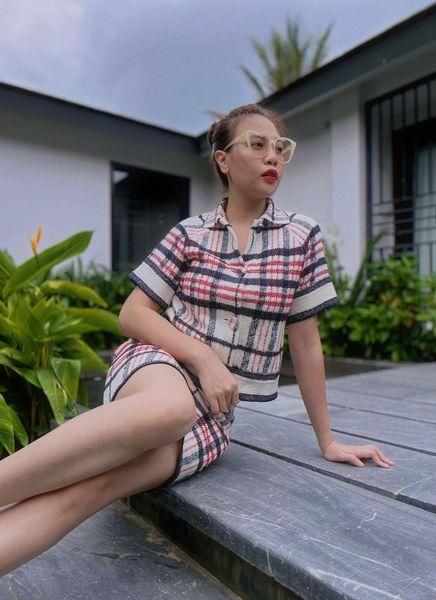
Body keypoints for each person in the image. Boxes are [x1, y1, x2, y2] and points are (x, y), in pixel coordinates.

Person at [0, 102, 394, 577]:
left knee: (88, 490)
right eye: (257, 144)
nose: (273, 156)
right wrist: (204, 360)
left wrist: (327, 440)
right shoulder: (190, 233)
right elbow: (132, 313)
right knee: (170, 409)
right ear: (223, 160)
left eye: (281, 148)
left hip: (213, 417)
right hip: (156, 366)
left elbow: (306, 343)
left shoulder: (301, 237)